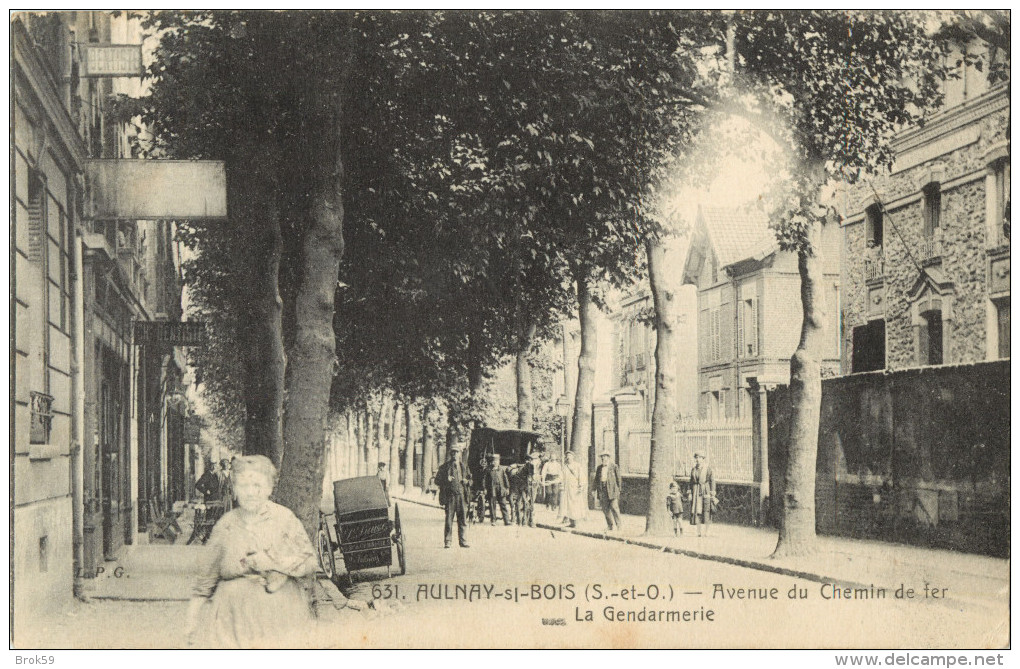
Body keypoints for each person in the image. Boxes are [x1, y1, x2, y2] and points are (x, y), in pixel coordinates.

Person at [184, 455, 317, 648]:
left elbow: (310, 562)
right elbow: (204, 583)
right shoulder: (225, 526)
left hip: (281, 619)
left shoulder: (284, 519)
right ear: (234, 489)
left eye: (258, 486)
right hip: (232, 624)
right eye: (244, 486)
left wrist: (273, 563)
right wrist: (191, 623)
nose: (251, 492)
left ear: (269, 488)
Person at [435, 445, 470, 548]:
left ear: (460, 454)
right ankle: (448, 541)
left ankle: (463, 541)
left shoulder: (464, 467)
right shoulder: (444, 467)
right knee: (449, 520)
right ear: (451, 454)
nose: (455, 454)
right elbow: (437, 481)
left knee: (463, 520)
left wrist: (467, 481)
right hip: (450, 497)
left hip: (462, 497)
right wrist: (446, 479)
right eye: (453, 453)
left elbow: (471, 480)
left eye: (457, 452)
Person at [690, 451, 716, 537]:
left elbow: (712, 480)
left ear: (703, 459)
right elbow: (691, 482)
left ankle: (707, 531)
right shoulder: (693, 469)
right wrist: (690, 492)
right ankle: (698, 531)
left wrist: (712, 491)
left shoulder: (708, 469)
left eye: (699, 457)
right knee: (697, 511)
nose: (697, 459)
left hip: (705, 490)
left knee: (706, 510)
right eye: (696, 457)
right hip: (696, 492)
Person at [594, 452, 622, 531]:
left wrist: (619, 489)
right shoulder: (599, 468)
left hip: (612, 490)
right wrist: (593, 489)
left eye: (605, 457)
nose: (604, 459)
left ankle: (619, 526)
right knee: (605, 509)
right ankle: (610, 525)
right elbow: (596, 480)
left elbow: (618, 479)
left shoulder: (614, 467)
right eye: (602, 457)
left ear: (608, 458)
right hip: (602, 490)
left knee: (614, 507)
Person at [482, 454, 512, 526]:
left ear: (499, 461)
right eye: (494, 461)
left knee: (503, 505)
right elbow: (484, 480)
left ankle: (507, 520)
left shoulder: (501, 469)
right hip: (492, 489)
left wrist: (507, 488)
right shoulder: (488, 469)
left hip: (501, 489)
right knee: (492, 505)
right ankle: (493, 520)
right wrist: (484, 488)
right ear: (492, 462)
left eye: (497, 461)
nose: (495, 462)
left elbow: (505, 479)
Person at [560, 451, 583, 529]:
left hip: (575, 488)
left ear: (573, 457)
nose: (568, 457)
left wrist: (581, 486)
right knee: (568, 505)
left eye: (570, 456)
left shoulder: (577, 465)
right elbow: (562, 477)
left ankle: (576, 522)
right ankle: (571, 522)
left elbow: (581, 476)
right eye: (567, 456)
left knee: (575, 505)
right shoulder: (565, 466)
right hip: (567, 489)